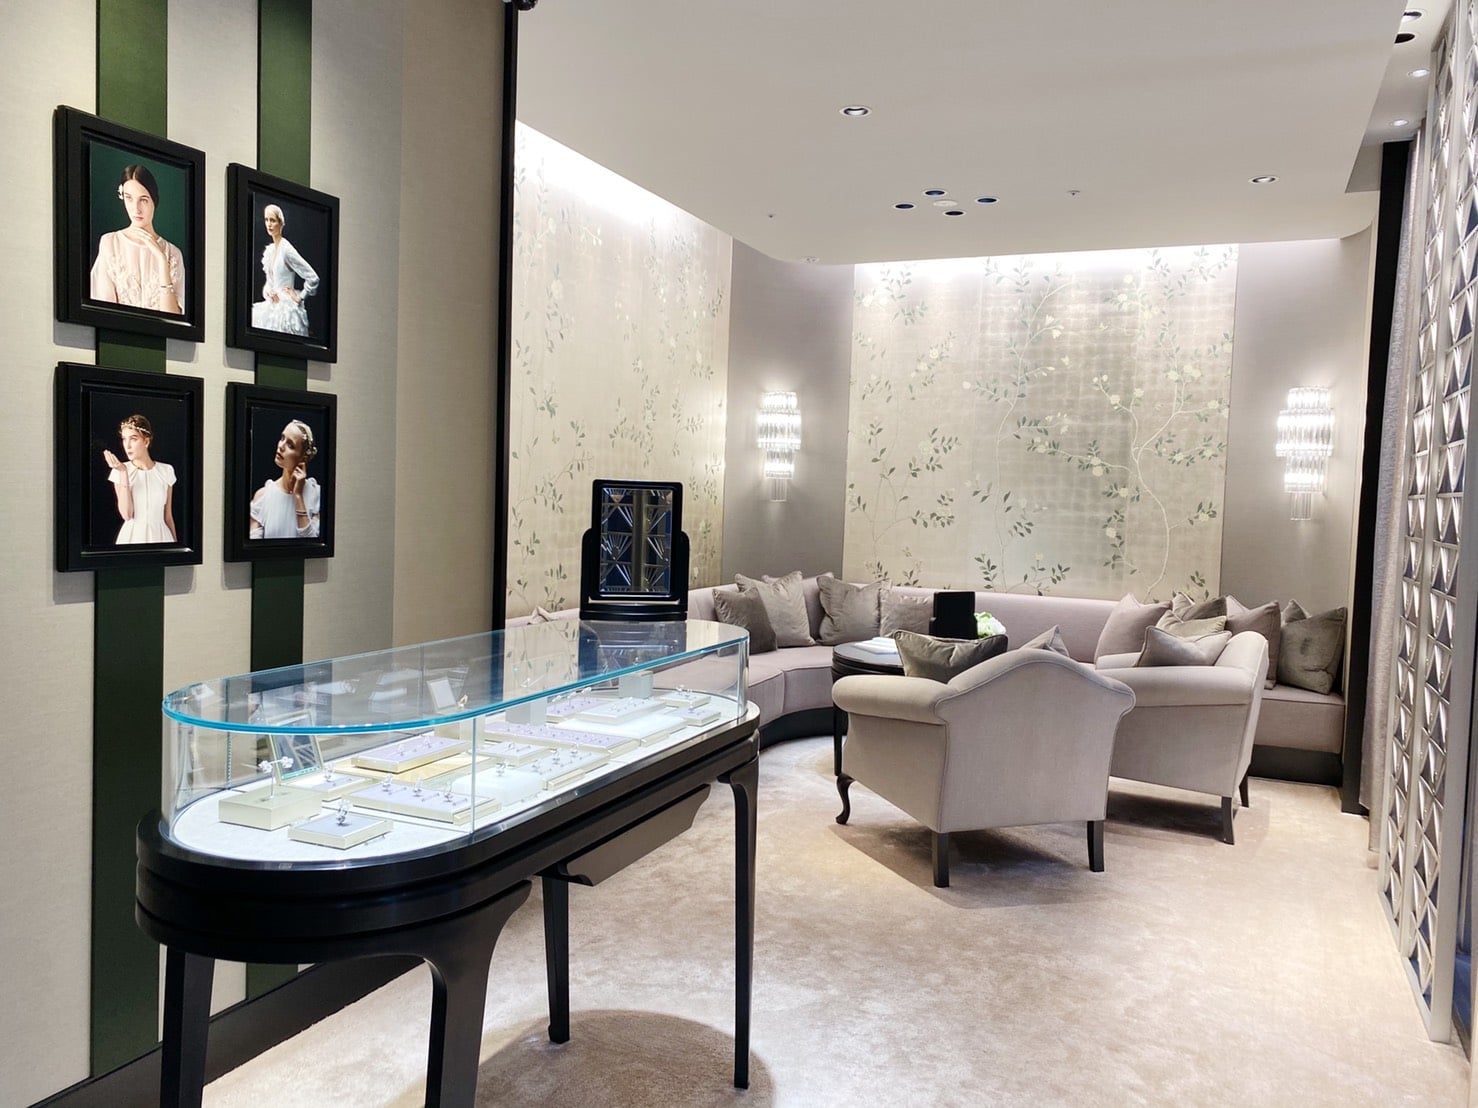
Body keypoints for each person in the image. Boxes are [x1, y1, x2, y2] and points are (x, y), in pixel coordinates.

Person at [89, 164, 185, 314]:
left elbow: (173, 317)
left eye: (143, 200)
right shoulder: (110, 243)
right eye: (129, 198)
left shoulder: (173, 253)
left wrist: (161, 261)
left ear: (154, 201)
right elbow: (103, 310)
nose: (136, 209)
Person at [102, 414, 177, 544]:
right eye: (124, 439)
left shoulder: (166, 471)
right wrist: (123, 473)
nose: (127, 445)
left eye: (133, 439)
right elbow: (127, 514)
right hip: (133, 537)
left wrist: (177, 548)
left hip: (162, 537)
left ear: (146, 441)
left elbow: (168, 516)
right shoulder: (119, 471)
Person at [250, 204, 319, 335]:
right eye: (266, 220)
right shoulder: (270, 250)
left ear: (281, 223)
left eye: (273, 220)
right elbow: (269, 283)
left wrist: (300, 297)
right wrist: (269, 292)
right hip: (272, 306)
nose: (269, 224)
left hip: (286, 310)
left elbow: (313, 278)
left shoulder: (286, 249)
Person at [250, 419, 321, 539]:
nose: (281, 446)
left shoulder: (315, 495)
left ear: (303, 457)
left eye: (290, 445)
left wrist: (298, 496)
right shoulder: (262, 497)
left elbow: (311, 543)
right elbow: (254, 547)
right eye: (282, 438)